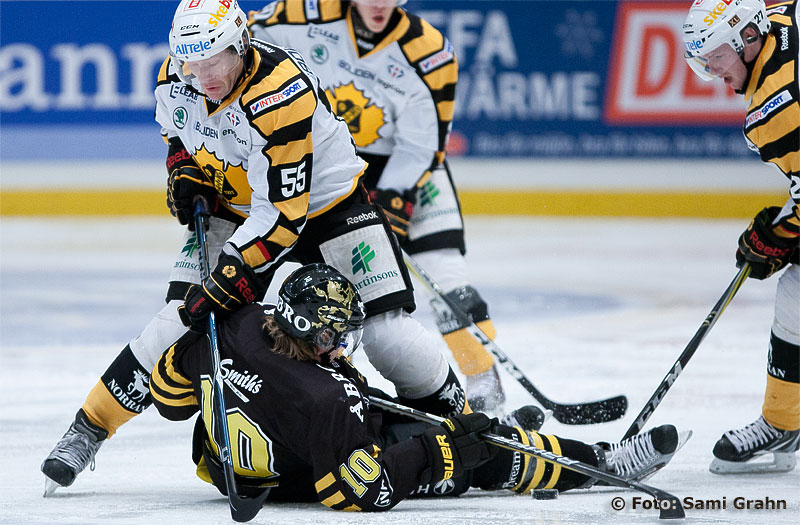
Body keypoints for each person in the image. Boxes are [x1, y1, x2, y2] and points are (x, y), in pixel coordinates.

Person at [40, 0, 475, 495]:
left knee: (387, 335)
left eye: (214, 62)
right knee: (178, 320)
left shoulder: (280, 92)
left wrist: (229, 276)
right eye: (191, 63)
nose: (202, 77)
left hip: (326, 205)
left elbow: (283, 217)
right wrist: (183, 169)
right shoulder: (172, 76)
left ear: (241, 46)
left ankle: (459, 418)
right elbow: (177, 134)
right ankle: (89, 428)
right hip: (240, 206)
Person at [150, 262, 683, 511]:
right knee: (482, 455)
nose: (344, 345)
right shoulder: (327, 398)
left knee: (440, 430)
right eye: (336, 335)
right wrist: (437, 452)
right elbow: (355, 491)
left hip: (231, 466)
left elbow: (169, 396)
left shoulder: (236, 325)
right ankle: (602, 462)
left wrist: (237, 385)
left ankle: (502, 440)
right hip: (308, 471)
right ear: (310, 330)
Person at [248, 0, 507, 413]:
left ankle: (487, 392)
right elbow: (240, 47)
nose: (381, 4)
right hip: (329, 170)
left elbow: (422, 145)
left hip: (407, 170)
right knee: (331, 292)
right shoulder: (301, 13)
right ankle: (338, 392)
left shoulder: (430, 51)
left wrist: (391, 198)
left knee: (448, 282)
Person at [683, 0, 799, 473]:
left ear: (747, 40)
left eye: (716, 59)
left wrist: (779, 238)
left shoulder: (777, 108)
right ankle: (783, 422)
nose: (712, 73)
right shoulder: (780, 13)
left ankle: (782, 423)